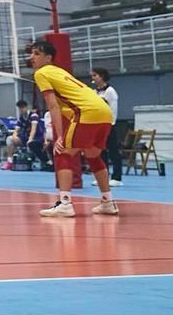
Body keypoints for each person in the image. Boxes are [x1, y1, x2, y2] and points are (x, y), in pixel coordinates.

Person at [30, 41, 118, 217]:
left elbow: (53, 107)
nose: (32, 57)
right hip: (104, 112)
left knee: (62, 153)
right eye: (31, 53)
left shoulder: (41, 73)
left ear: (48, 58)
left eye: (36, 54)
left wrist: (60, 136)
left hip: (86, 112)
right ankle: (108, 202)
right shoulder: (60, 71)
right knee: (93, 155)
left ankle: (64, 203)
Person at [91, 67, 123, 187]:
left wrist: (110, 123)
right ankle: (103, 176)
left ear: (102, 76)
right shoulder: (94, 92)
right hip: (98, 126)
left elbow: (113, 110)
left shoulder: (110, 91)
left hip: (109, 125)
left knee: (113, 151)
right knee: (100, 152)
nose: (93, 78)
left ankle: (117, 177)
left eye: (95, 75)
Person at [1, 99, 31, 170]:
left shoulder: (33, 115)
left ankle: (10, 162)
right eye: (20, 108)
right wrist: (14, 136)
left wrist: (31, 138)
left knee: (13, 141)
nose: (21, 109)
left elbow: (34, 129)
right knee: (10, 139)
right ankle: (10, 162)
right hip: (23, 137)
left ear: (26, 107)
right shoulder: (21, 118)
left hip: (33, 137)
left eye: (23, 107)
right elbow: (16, 129)